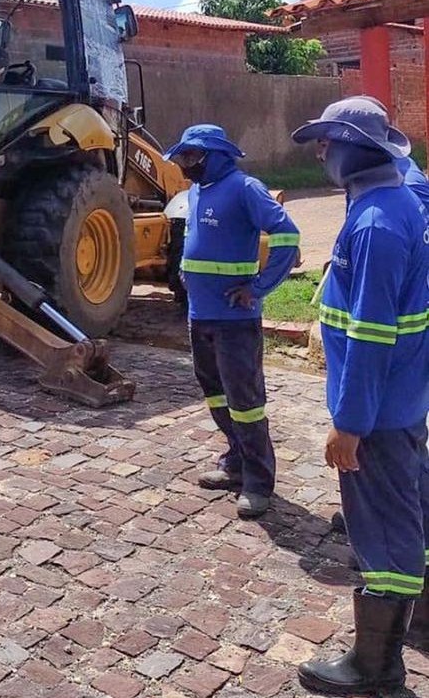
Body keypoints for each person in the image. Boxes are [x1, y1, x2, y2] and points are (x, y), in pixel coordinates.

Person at [291, 97, 429, 695]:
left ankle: (376, 667)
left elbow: (372, 335)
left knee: (384, 529)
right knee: (408, 511)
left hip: (377, 412)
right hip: (400, 403)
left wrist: (348, 423)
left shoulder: (376, 223)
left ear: (356, 149)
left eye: (328, 141)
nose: (321, 152)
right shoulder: (395, 204)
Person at [163, 125, 300, 518]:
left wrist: (258, 288)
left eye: (192, 157)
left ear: (216, 155)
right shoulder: (196, 191)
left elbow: (287, 236)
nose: (186, 165)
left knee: (246, 403)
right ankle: (236, 460)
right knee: (215, 393)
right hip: (199, 316)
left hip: (234, 322)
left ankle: (259, 481)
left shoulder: (246, 188)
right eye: (183, 157)